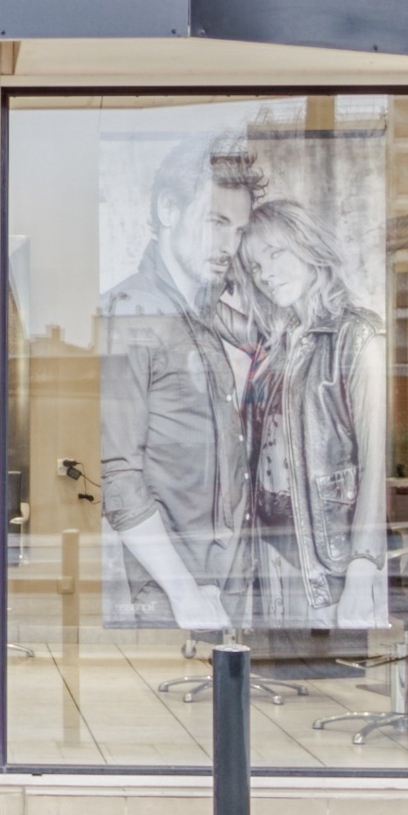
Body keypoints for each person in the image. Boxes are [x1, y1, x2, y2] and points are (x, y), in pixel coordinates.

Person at [98, 138, 263, 631]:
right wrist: (183, 588)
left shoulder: (203, 312)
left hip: (224, 577)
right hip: (174, 587)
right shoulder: (130, 313)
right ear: (169, 209)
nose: (229, 246)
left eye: (239, 230)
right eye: (216, 222)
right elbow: (119, 474)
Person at [235, 196, 390, 631]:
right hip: (269, 547)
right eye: (254, 266)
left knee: (323, 684)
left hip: (327, 554)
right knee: (280, 685)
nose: (264, 274)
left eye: (275, 253)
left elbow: (376, 464)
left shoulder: (357, 334)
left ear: (308, 248)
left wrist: (363, 565)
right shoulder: (275, 345)